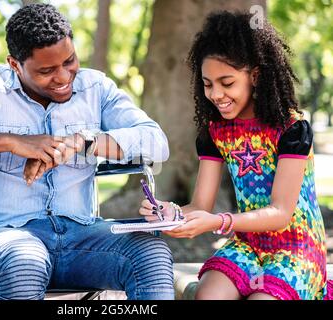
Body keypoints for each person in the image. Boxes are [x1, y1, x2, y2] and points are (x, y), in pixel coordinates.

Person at [0, 3, 175, 300]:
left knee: (150, 253)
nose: (63, 76)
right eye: (46, 70)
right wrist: (8, 141)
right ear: (15, 64)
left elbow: (155, 141)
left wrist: (84, 141)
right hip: (3, 237)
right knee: (25, 258)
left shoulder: (96, 89)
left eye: (69, 60)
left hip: (81, 235)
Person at [139, 11, 332, 300]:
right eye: (207, 84)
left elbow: (280, 214)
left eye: (226, 83)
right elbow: (201, 204)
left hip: (296, 249)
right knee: (208, 296)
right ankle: (190, 288)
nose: (216, 94)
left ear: (254, 76)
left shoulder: (291, 129)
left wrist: (218, 222)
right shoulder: (214, 132)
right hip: (248, 246)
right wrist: (172, 214)